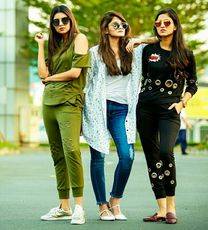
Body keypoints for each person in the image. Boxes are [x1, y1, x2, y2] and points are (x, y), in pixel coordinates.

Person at [82, 11, 157, 221]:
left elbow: (159, 38)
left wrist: (138, 40)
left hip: (122, 110)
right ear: (105, 29)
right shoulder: (95, 53)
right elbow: (87, 83)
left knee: (127, 156)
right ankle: (101, 205)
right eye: (115, 25)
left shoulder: (134, 49)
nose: (121, 27)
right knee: (98, 158)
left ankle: (115, 201)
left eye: (123, 24)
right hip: (98, 108)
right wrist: (82, 115)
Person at [136, 8, 198, 224]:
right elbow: (140, 75)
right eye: (158, 23)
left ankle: (171, 207)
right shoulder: (148, 50)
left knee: (166, 152)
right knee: (152, 158)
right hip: (144, 109)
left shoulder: (186, 54)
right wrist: (140, 41)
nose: (162, 26)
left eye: (166, 23)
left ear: (175, 26)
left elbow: (192, 84)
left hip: (170, 110)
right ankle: (161, 209)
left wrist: (182, 103)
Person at [34, 5, 89, 225]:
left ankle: (78, 208)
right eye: (55, 22)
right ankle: (63, 206)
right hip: (49, 103)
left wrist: (51, 79)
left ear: (70, 20)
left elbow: (75, 73)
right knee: (57, 155)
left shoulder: (80, 38)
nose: (60, 25)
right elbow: (42, 73)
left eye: (63, 20)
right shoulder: (54, 46)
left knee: (72, 151)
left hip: (69, 102)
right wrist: (41, 45)